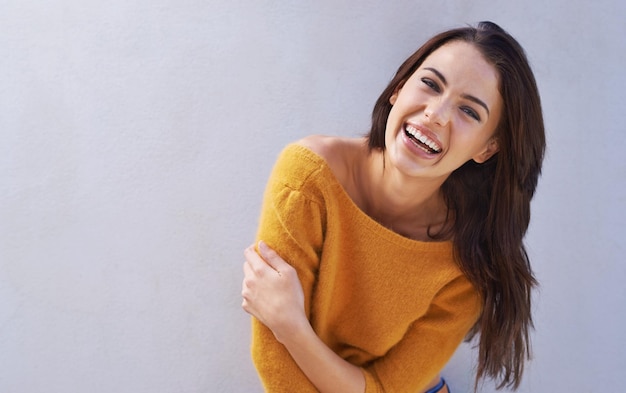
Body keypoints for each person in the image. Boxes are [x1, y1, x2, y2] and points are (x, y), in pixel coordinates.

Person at [241, 21, 545, 393]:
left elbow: (387, 389)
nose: (437, 113)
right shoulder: (308, 180)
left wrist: (290, 326)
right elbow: (275, 365)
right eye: (431, 84)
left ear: (486, 148)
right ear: (399, 89)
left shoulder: (469, 259)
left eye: (470, 111)